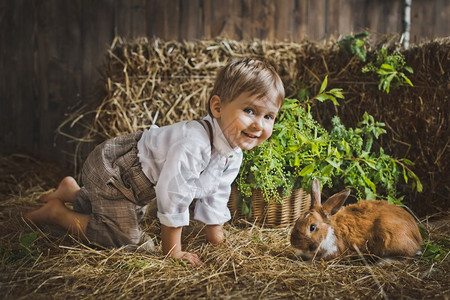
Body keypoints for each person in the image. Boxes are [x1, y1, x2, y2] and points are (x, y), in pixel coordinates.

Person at [24, 57, 285, 266]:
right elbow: (173, 194)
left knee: (124, 212)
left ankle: (72, 191)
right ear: (217, 107)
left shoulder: (232, 152)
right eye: (249, 110)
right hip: (113, 171)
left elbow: (217, 191)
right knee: (124, 238)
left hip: (129, 185)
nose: (258, 124)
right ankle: (57, 214)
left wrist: (215, 236)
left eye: (269, 117)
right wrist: (173, 250)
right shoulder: (195, 143)